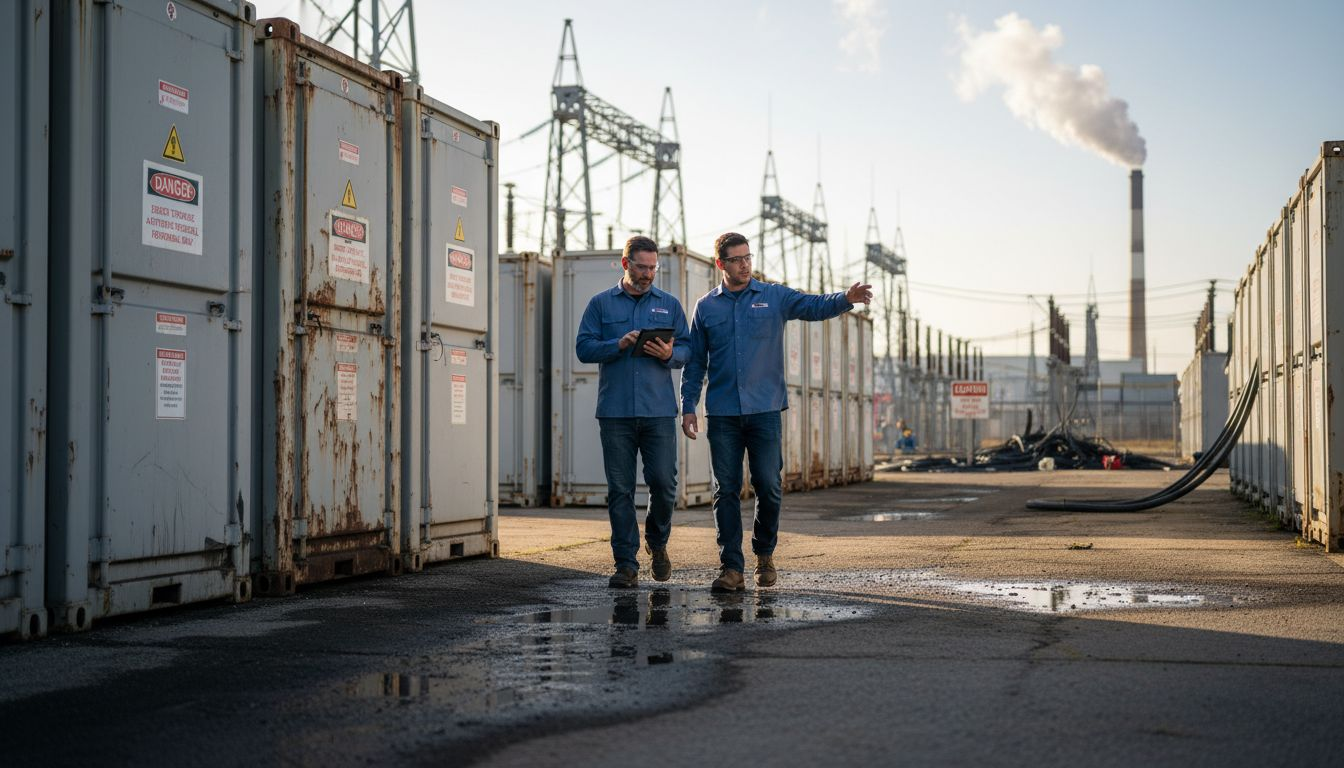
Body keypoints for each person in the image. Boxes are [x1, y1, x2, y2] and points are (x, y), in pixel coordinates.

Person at [680, 232, 873, 592]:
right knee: (725, 490)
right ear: (721, 264)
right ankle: (731, 569)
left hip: (765, 410)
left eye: (748, 257)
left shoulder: (772, 297)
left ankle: (764, 554)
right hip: (723, 413)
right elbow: (695, 364)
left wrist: (844, 299)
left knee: (768, 485)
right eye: (737, 259)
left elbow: (811, 305)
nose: (745, 264)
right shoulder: (706, 308)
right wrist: (687, 406)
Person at [575, 236, 690, 589]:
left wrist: (668, 354)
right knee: (621, 490)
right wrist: (618, 344)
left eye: (653, 267)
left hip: (658, 412)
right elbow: (583, 348)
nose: (648, 274)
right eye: (642, 267)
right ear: (625, 265)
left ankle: (657, 543)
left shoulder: (668, 305)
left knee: (664, 485)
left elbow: (688, 349)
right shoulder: (600, 305)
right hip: (616, 413)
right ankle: (625, 564)